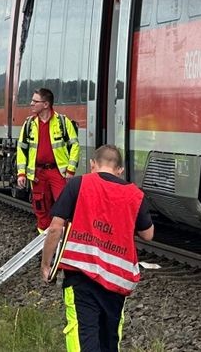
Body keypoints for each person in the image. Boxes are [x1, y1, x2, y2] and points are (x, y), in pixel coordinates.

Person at [41, 145, 153, 352]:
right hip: (117, 279)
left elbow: (55, 228)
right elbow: (148, 234)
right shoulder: (135, 195)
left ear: (93, 164)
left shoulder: (78, 184)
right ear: (120, 170)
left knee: (82, 332)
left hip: (80, 275)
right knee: (110, 335)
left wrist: (47, 265)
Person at [16, 87, 81, 233]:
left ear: (46, 104)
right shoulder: (29, 124)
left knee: (63, 208)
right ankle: (45, 244)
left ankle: (62, 244)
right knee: (41, 209)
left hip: (58, 172)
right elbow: (21, 149)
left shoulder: (62, 122)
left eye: (35, 101)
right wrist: (21, 173)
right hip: (38, 174)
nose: (31, 104)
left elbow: (75, 146)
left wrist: (70, 170)